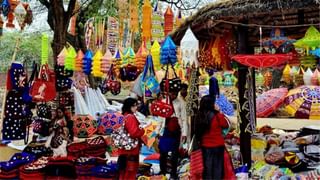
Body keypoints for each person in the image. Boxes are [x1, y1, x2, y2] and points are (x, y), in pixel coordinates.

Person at [195, 95, 230, 179]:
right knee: (217, 167)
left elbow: (196, 131)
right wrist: (219, 111)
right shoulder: (217, 115)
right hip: (218, 145)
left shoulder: (199, 116)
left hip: (205, 145)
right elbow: (225, 124)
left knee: (207, 167)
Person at [158, 90, 188, 179]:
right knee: (163, 153)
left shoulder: (181, 102)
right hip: (165, 131)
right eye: (171, 93)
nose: (172, 95)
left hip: (176, 131)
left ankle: (173, 173)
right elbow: (160, 118)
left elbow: (184, 119)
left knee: (175, 154)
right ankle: (162, 171)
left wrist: (184, 133)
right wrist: (158, 131)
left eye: (174, 93)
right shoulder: (163, 102)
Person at [117, 97, 145, 180]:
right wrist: (143, 131)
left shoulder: (124, 116)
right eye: (134, 106)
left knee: (123, 170)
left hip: (123, 148)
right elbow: (134, 133)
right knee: (130, 171)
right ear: (130, 106)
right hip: (131, 150)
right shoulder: (130, 117)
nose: (136, 108)